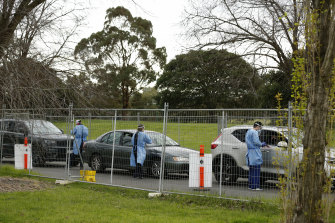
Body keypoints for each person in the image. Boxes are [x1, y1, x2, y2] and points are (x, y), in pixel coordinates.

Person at [245, 121, 267, 190]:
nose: (260, 129)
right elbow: (256, 141)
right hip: (255, 153)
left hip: (250, 153)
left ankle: (251, 186)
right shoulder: (254, 132)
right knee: (256, 170)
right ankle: (256, 186)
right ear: (257, 126)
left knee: (251, 170)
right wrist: (262, 144)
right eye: (260, 127)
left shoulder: (248, 131)